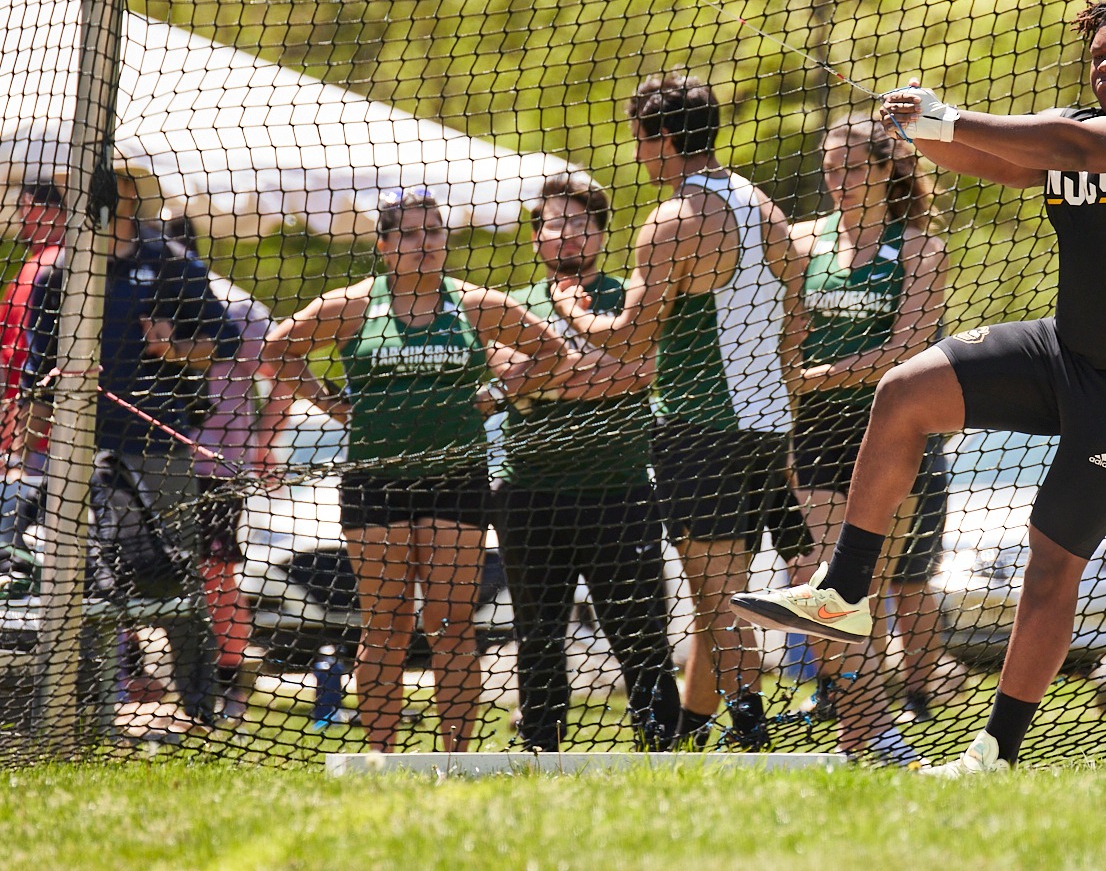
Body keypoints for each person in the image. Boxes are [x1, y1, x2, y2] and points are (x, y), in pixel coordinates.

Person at [732, 0, 1106, 773]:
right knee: (905, 392)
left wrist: (950, 115)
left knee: (1049, 561)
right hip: (1067, 355)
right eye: (1096, 52)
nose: (1103, 64)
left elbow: (1067, 146)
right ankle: (845, 591)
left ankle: (994, 752)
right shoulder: (1078, 127)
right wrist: (921, 132)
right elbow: (999, 162)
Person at [262, 187, 573, 753]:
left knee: (452, 626)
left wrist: (500, 394)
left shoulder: (476, 304)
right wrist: (331, 404)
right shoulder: (353, 305)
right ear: (383, 245)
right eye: (407, 233)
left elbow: (553, 355)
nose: (423, 243)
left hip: (457, 478)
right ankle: (383, 756)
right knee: (385, 626)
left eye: (432, 232)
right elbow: (276, 351)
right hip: (375, 481)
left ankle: (454, 758)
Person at [550, 74, 804, 750]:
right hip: (766, 427)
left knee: (719, 602)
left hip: (703, 431)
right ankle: (696, 732)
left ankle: (751, 736)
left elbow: (630, 336)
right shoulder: (761, 202)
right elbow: (797, 312)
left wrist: (570, 304)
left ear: (662, 138)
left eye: (639, 140)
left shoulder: (674, 220)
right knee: (727, 595)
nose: (636, 155)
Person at [24, 169, 241, 728]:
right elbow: (36, 376)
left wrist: (172, 350)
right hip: (75, 455)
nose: (93, 197)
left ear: (130, 196)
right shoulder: (58, 271)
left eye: (110, 187)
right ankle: (89, 712)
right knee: (79, 584)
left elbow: (222, 346)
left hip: (158, 446)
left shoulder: (169, 261)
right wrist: (28, 446)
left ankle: (199, 710)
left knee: (175, 577)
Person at [492, 172, 680, 751]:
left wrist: (550, 378)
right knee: (539, 634)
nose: (567, 235)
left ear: (601, 234)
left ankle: (661, 743)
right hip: (530, 496)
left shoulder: (632, 296)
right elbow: (506, 374)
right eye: (555, 224)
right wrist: (593, 373)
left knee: (640, 633)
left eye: (580, 224)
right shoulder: (509, 304)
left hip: (619, 492)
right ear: (535, 238)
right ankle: (539, 747)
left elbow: (642, 371)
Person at [784, 116, 949, 736]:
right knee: (833, 584)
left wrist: (816, 373)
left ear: (885, 169)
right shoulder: (802, 243)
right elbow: (787, 339)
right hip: (819, 434)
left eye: (852, 168)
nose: (839, 181)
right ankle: (856, 710)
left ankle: (890, 710)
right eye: (829, 170)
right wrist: (791, 382)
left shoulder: (919, 249)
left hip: (894, 432)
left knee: (880, 585)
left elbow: (905, 353)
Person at [161, 210, 289, 724]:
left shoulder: (232, 305)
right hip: (183, 460)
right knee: (211, 574)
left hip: (201, 464)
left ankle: (224, 683)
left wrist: (262, 440)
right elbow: (284, 376)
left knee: (203, 573)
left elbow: (282, 371)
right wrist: (263, 440)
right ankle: (206, 683)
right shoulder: (239, 302)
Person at [0, 182, 66, 596]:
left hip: (54, 436)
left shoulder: (64, 265)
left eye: (29, 208)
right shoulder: (32, 266)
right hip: (24, 433)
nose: (22, 217)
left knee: (56, 555)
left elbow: (36, 364)